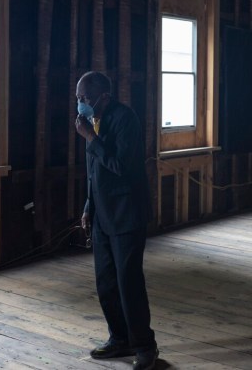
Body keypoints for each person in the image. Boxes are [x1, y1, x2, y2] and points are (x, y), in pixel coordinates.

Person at [74, 71, 158, 370]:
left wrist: (92, 138)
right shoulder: (91, 122)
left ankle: (145, 346)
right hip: (101, 215)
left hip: (126, 214)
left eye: (84, 98)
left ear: (104, 96)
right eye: (78, 99)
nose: (81, 104)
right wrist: (88, 206)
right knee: (106, 283)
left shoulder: (125, 120)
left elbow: (120, 165)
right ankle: (119, 339)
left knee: (128, 283)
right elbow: (95, 171)